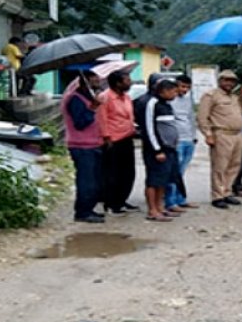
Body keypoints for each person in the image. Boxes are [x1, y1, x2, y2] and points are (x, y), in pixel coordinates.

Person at [197, 70, 242, 210]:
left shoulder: (235, 97)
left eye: (232, 81)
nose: (229, 83)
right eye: (226, 80)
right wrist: (208, 134)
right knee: (220, 167)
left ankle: (227, 192)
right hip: (221, 134)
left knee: (234, 165)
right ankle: (217, 195)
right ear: (220, 81)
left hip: (237, 134)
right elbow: (202, 117)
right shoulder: (211, 96)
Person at [62, 70, 105, 223]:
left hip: (93, 144)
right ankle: (83, 211)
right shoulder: (75, 99)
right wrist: (92, 108)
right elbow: (80, 123)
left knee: (94, 179)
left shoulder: (88, 97)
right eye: (94, 79)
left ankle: (89, 208)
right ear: (84, 81)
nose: (97, 81)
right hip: (81, 145)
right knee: (86, 180)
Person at [97, 70, 139, 215]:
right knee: (112, 173)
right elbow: (101, 119)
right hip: (113, 140)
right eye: (127, 80)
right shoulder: (105, 97)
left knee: (128, 173)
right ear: (117, 83)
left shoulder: (126, 97)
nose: (130, 82)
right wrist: (106, 138)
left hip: (127, 137)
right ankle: (111, 203)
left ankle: (122, 199)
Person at [142, 79, 184, 222]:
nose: (175, 94)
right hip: (157, 149)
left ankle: (160, 207)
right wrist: (157, 149)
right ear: (163, 91)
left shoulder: (167, 105)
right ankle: (152, 210)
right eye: (172, 91)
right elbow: (149, 128)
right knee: (154, 180)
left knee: (164, 180)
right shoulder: (152, 104)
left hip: (169, 148)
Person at [165, 74, 199, 211]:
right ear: (176, 85)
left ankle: (181, 199)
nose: (185, 90)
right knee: (173, 172)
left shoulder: (187, 100)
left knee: (181, 171)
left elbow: (191, 117)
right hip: (176, 141)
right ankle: (170, 202)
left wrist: (194, 135)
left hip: (188, 139)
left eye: (187, 87)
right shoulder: (169, 100)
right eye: (182, 86)